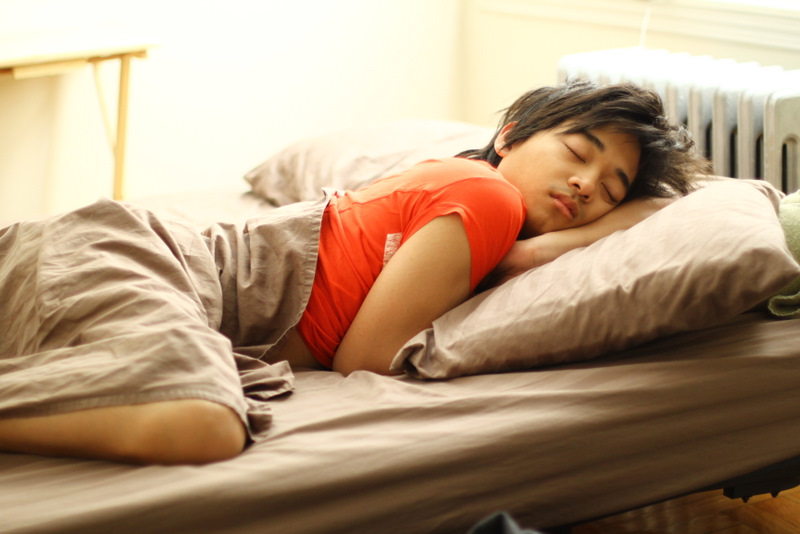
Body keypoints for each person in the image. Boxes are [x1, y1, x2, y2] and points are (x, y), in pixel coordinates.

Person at [0, 81, 708, 465]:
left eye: (611, 189)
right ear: (511, 134)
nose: (586, 185)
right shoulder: (484, 194)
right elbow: (365, 357)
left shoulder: (472, 205)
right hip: (143, 258)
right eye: (578, 153)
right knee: (204, 426)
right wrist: (552, 246)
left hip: (114, 254)